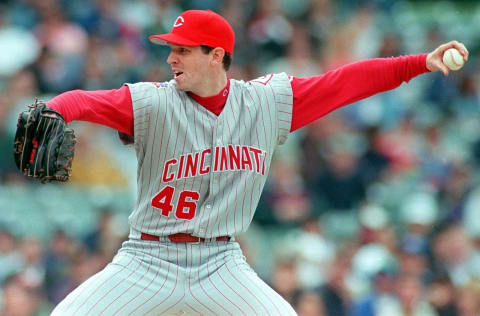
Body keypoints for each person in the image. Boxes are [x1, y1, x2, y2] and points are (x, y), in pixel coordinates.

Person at [35, 9, 467, 316]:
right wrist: (53, 110)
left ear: (217, 55)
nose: (171, 58)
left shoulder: (267, 102)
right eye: (171, 49)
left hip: (221, 262)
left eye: (183, 50)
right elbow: (82, 101)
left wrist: (418, 63)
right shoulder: (151, 102)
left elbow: (346, 83)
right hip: (147, 258)